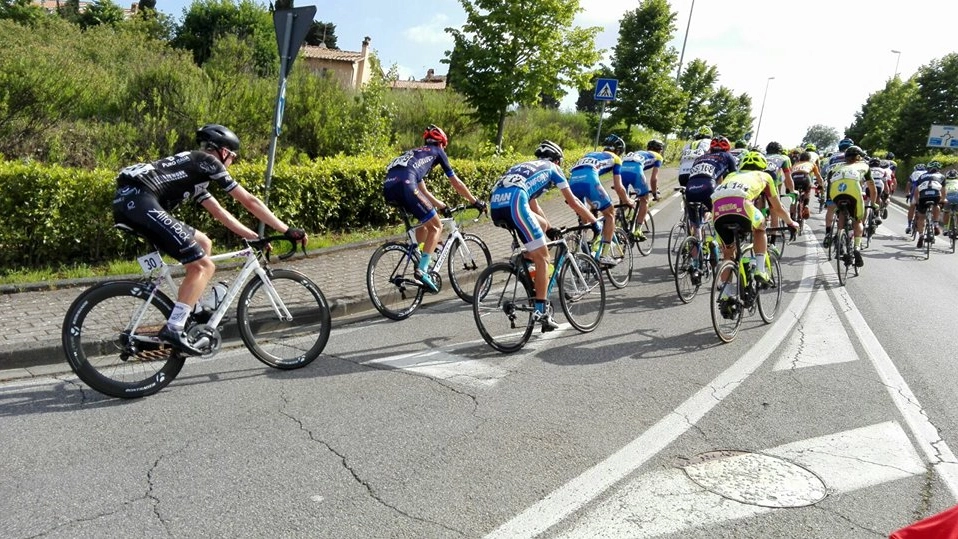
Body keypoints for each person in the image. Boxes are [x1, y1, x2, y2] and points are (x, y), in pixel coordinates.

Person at [112, 124, 305, 356]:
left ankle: (194, 312)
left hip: (133, 203)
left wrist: (254, 237)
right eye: (233, 157)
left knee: (204, 244)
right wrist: (286, 230)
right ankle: (174, 327)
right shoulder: (208, 161)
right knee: (204, 265)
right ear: (223, 152)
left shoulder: (194, 172)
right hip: (140, 201)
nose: (232, 162)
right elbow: (249, 201)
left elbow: (219, 212)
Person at [489, 140, 601, 331]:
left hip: (496, 205)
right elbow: (573, 201)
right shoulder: (553, 168)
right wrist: (593, 222)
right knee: (544, 258)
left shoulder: (525, 167)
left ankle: (525, 259)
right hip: (516, 202)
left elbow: (533, 206)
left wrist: (549, 228)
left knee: (539, 232)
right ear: (557, 160)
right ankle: (541, 312)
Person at [383, 125, 486, 292]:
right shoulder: (437, 151)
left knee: (425, 223)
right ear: (442, 144)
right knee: (436, 226)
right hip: (406, 185)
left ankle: (416, 254)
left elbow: (423, 191)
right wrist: (475, 201)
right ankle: (422, 270)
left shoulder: (415, 155)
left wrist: (442, 206)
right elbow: (456, 184)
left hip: (389, 187)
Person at [710, 151, 798, 305]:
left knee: (728, 254)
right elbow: (777, 207)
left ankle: (726, 294)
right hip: (742, 206)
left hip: (717, 210)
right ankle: (760, 269)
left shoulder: (731, 176)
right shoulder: (765, 176)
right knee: (760, 228)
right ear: (762, 166)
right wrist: (791, 223)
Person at [568, 134, 634, 265]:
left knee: (584, 218)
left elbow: (582, 174)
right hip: (590, 181)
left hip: (572, 184)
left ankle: (581, 250)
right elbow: (618, 186)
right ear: (618, 151)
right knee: (610, 214)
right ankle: (603, 255)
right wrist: (627, 200)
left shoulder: (590, 154)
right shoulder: (615, 159)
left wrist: (594, 204)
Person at [825, 145, 876, 266]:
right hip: (853, 192)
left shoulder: (836, 167)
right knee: (858, 221)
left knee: (842, 212)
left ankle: (840, 239)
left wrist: (829, 201)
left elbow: (829, 183)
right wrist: (874, 204)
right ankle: (857, 247)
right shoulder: (864, 166)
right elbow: (872, 188)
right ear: (858, 157)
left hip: (835, 193)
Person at [619, 139, 664, 242]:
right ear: (660, 150)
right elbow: (654, 179)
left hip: (621, 171)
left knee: (624, 202)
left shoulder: (639, 152)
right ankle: (638, 230)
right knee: (644, 200)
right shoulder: (658, 157)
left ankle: (618, 223)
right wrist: (654, 193)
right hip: (636, 172)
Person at [911, 161, 945, 248]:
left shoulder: (922, 176)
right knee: (936, 205)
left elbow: (916, 190)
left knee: (921, 216)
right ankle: (936, 224)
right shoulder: (941, 176)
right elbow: (943, 191)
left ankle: (921, 235)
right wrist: (942, 200)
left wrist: (918, 202)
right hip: (935, 195)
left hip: (923, 196)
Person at [790, 151, 824, 220]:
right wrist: (821, 185)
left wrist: (789, 188)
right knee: (807, 192)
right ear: (809, 159)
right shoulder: (812, 164)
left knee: (794, 198)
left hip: (794, 178)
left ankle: (791, 217)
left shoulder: (795, 164)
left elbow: (789, 175)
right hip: (805, 176)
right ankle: (806, 205)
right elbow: (818, 176)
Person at [941, 169, 958, 238]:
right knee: (957, 214)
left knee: (946, 212)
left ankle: (945, 228)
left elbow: (941, 191)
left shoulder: (944, 181)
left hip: (948, 198)